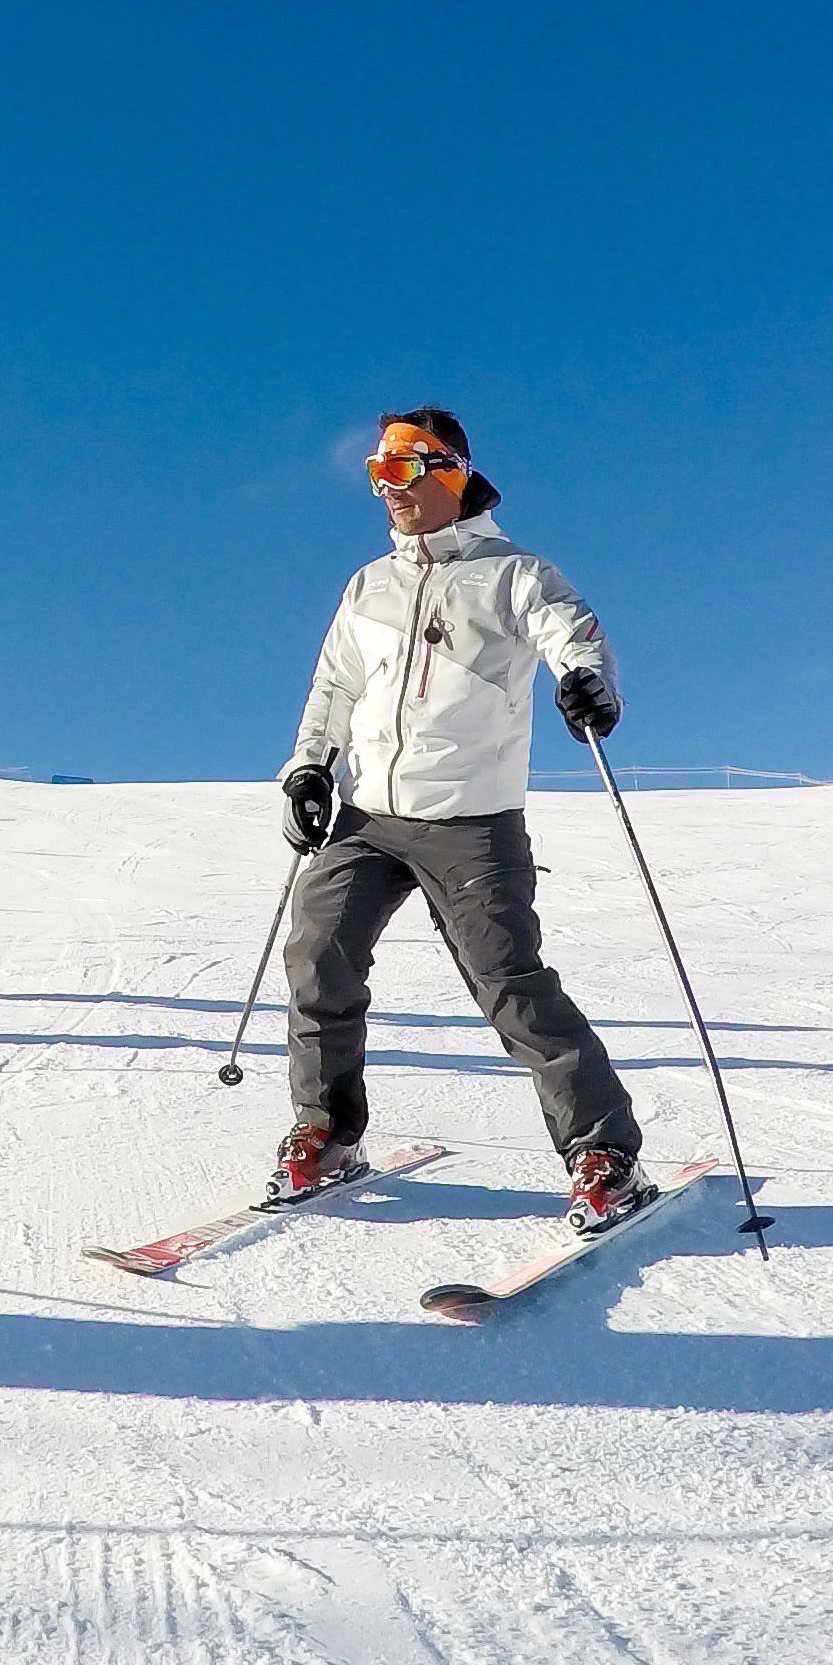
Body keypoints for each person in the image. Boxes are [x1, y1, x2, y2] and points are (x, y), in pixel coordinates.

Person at [269, 408, 648, 1227]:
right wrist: (308, 767)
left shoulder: (514, 574)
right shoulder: (368, 584)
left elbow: (573, 635)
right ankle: (328, 1131)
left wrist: (589, 683)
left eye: (401, 471)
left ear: (448, 471)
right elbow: (334, 687)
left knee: (509, 982)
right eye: (377, 473)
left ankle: (603, 1151)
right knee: (318, 956)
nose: (386, 490)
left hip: (471, 818)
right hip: (368, 813)